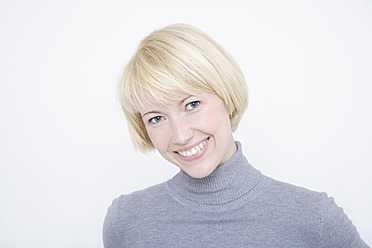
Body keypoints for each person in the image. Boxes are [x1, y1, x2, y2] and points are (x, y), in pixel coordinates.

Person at [103, 24, 369, 247]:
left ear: (228, 99)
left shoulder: (315, 219)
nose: (181, 136)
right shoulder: (125, 222)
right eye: (157, 118)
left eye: (192, 105)